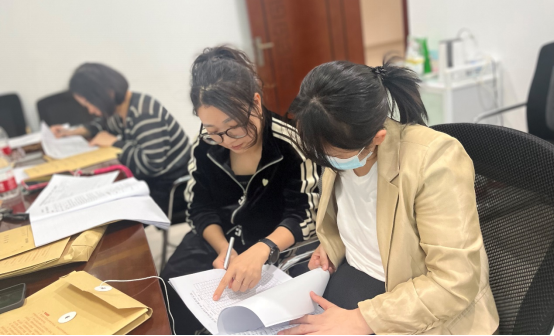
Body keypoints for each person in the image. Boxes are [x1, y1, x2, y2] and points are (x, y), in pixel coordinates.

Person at [279, 61, 499, 335]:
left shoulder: (435, 161)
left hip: (420, 308)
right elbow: (355, 217)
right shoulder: (338, 146)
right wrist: (332, 247)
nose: (326, 163)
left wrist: (362, 320)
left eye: (332, 156)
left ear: (377, 138)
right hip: (358, 278)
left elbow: (454, 283)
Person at [160, 46, 321, 335]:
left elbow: (305, 215)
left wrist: (262, 249)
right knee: (169, 288)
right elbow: (198, 208)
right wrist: (223, 248)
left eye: (234, 127)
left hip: (275, 245)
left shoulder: (290, 143)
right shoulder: (205, 145)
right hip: (219, 240)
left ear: (256, 103)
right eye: (213, 130)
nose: (226, 140)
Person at [51, 63, 191, 215]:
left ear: (107, 93)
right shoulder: (121, 109)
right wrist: (72, 132)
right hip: (154, 182)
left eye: (90, 104)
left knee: (108, 211)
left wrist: (114, 143)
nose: (90, 110)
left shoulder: (144, 113)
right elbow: (103, 124)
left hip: (172, 189)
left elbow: (152, 165)